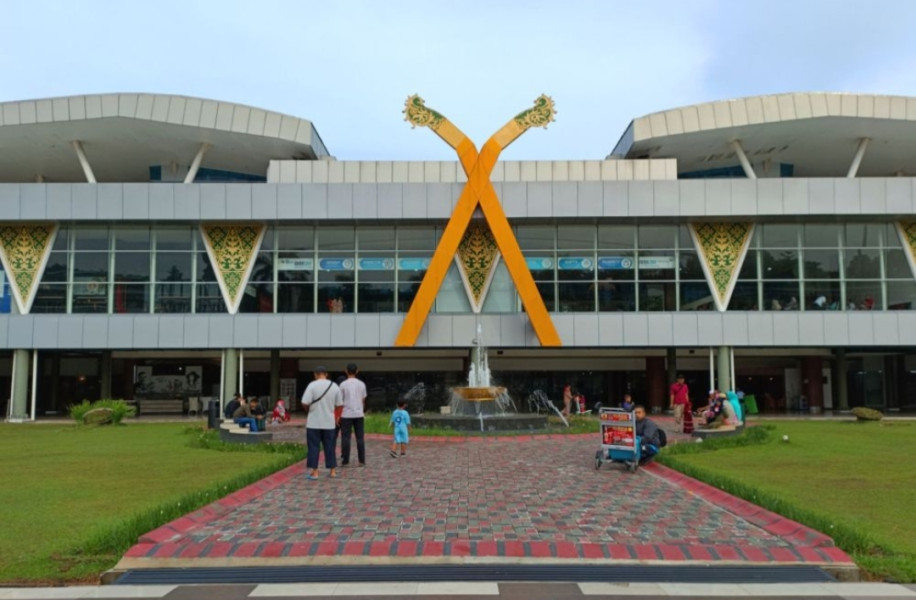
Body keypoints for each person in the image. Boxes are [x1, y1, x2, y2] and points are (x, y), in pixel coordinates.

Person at [302, 366, 343, 480]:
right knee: (330, 446)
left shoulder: (312, 385)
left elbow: (305, 402)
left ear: (315, 374)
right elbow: (339, 404)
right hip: (329, 422)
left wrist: (309, 410)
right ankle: (332, 471)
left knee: (313, 447)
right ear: (326, 374)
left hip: (313, 422)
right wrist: (336, 417)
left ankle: (315, 472)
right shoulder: (334, 386)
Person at [339, 362, 367, 467]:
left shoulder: (342, 384)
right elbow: (363, 399)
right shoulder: (362, 384)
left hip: (346, 414)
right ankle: (362, 460)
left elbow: (340, 401)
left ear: (346, 371)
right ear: (357, 371)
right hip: (359, 413)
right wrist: (361, 409)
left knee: (346, 437)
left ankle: (345, 460)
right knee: (360, 438)